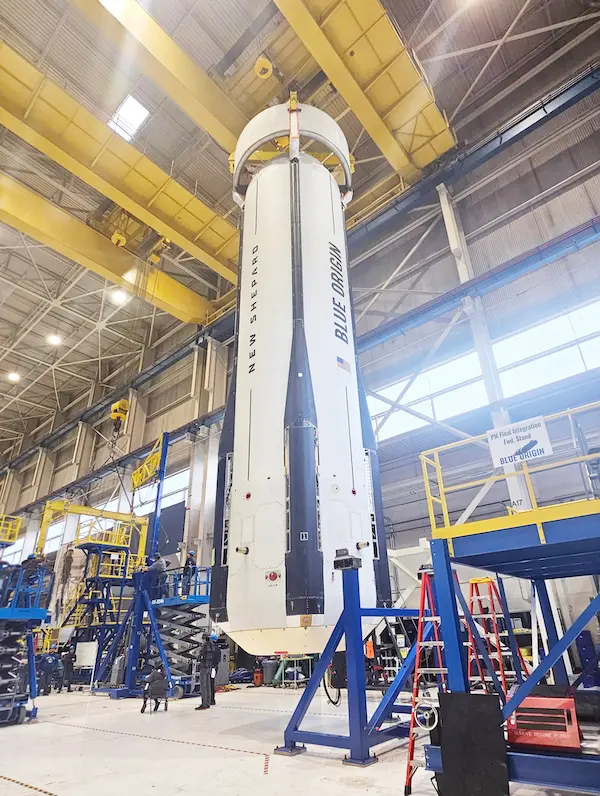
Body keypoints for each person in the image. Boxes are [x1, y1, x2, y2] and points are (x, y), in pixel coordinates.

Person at [195, 633, 217, 711]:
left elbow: (200, 656)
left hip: (203, 667)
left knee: (203, 686)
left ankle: (204, 704)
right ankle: (208, 702)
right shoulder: (212, 646)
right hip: (209, 668)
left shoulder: (204, 646)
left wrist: (197, 656)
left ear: (204, 639)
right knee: (208, 685)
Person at [210, 633, 221, 706]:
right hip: (215, 668)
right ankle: (212, 700)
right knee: (212, 682)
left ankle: (211, 700)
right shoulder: (218, 649)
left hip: (211, 668)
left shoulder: (212, 649)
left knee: (209, 683)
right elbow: (218, 660)